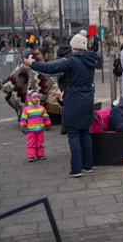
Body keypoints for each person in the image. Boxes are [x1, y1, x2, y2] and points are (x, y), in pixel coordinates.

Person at [22, 33, 98, 177]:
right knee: (85, 133)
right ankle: (88, 165)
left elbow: (50, 69)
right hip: (87, 101)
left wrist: (31, 63)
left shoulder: (72, 62)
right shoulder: (91, 61)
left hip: (74, 101)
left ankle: (76, 169)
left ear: (74, 48)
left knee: (74, 134)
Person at [19, 90, 51, 162]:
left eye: (37, 97)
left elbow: (46, 117)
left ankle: (40, 154)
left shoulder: (42, 108)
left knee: (40, 142)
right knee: (31, 143)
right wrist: (23, 126)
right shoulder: (27, 109)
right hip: (30, 130)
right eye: (34, 98)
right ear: (30, 99)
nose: (36, 99)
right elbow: (23, 118)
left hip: (40, 129)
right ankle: (31, 155)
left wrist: (48, 124)